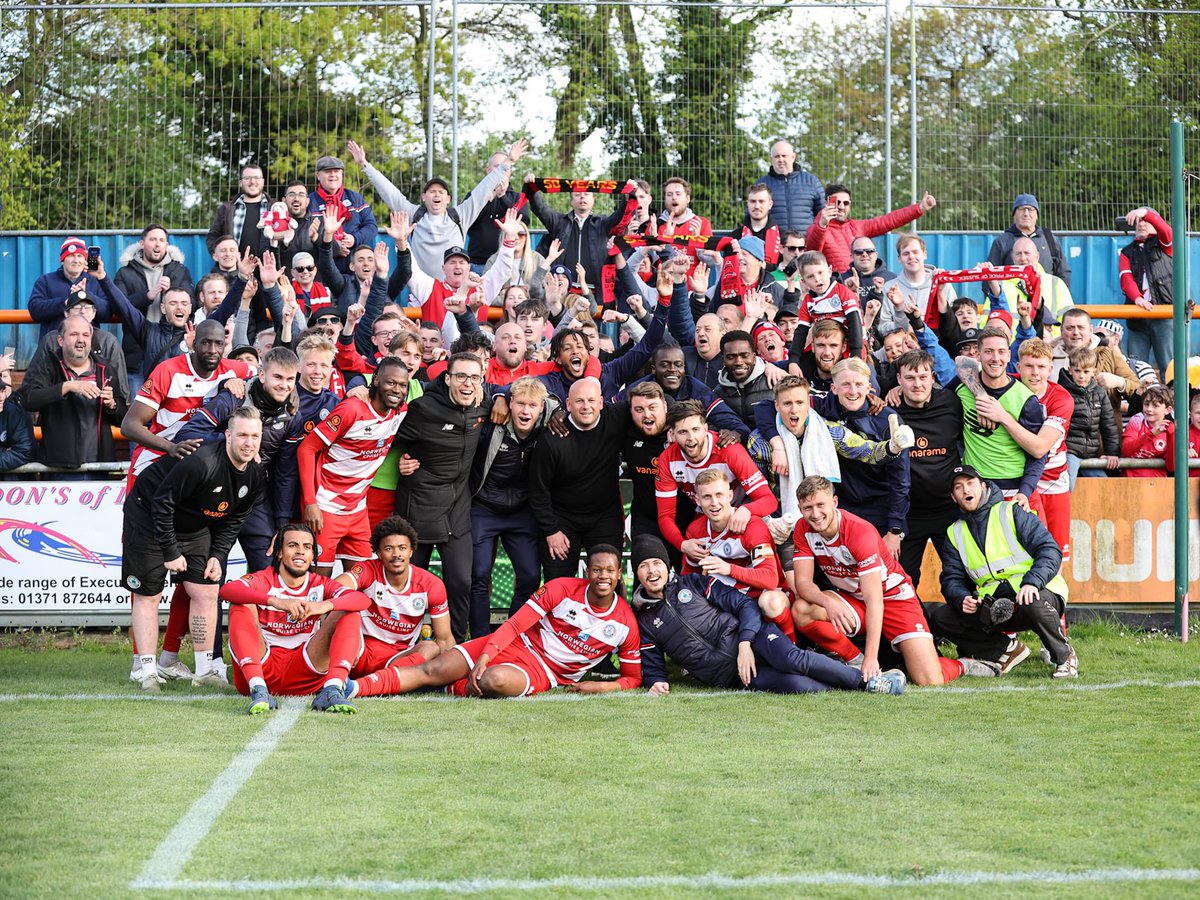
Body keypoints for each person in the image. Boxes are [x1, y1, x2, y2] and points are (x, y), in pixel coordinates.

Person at [347, 545, 641, 699]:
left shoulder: (626, 623)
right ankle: (353, 689)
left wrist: (603, 688)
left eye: (610, 571)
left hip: (546, 673)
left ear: (619, 575)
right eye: (597, 569)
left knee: (494, 681)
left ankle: (445, 687)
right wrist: (485, 655)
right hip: (514, 644)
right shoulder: (561, 588)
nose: (603, 576)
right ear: (586, 571)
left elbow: (633, 678)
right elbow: (514, 625)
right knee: (434, 667)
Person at [630, 535, 904, 696]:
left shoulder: (693, 584)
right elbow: (653, 662)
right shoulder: (642, 618)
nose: (652, 570)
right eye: (644, 565)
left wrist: (745, 643)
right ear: (637, 574)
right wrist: (656, 682)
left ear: (667, 567)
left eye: (657, 563)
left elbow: (745, 605)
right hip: (733, 674)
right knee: (793, 684)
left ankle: (868, 681)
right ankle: (849, 684)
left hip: (753, 639)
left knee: (791, 658)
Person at [789, 475, 991, 685]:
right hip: (854, 599)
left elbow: (875, 598)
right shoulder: (803, 528)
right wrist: (827, 601)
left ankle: (964, 664)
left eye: (821, 505)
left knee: (929, 679)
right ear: (800, 508)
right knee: (802, 609)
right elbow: (803, 584)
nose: (815, 514)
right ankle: (853, 661)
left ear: (834, 502)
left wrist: (872, 658)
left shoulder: (858, 531)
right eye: (807, 508)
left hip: (894, 599)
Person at [121, 407, 264, 692]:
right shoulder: (203, 461)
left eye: (255, 436)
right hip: (149, 515)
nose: (249, 443)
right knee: (149, 593)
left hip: (193, 523)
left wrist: (217, 554)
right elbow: (162, 502)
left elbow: (234, 517)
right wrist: (171, 551)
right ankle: (146, 670)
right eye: (243, 435)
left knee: (207, 589)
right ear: (228, 436)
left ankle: (205, 668)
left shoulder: (256, 474)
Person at [930, 465, 1077, 678]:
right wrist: (961, 597)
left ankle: (1065, 656)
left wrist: (1032, 582)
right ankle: (1005, 651)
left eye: (970, 484)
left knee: (1032, 603)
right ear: (954, 497)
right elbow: (951, 578)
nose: (965, 490)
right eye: (959, 488)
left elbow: (1050, 550)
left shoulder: (1011, 511)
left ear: (983, 486)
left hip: (1037, 592)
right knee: (940, 615)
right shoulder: (954, 532)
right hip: (994, 604)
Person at [389, 353, 493, 640]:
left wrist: (503, 400)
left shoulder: (484, 404)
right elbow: (384, 439)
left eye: (474, 377)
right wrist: (398, 462)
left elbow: (513, 393)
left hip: (458, 509)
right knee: (406, 584)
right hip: (418, 508)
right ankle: (399, 645)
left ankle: (456, 645)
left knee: (461, 581)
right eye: (460, 376)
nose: (467, 383)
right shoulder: (422, 409)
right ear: (447, 379)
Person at [221, 522, 372, 715]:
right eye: (292, 545)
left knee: (347, 610)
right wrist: (276, 602)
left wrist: (323, 606)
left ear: (312, 556)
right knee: (240, 603)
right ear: (279, 553)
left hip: (307, 669)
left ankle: (333, 689)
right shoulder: (264, 579)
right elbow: (228, 590)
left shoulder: (321, 584)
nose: (300, 551)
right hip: (263, 667)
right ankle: (258, 690)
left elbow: (362, 599)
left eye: (307, 547)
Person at [174, 347, 301, 571]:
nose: (284, 385)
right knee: (210, 575)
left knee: (268, 569)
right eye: (278, 377)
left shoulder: (291, 413)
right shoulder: (235, 396)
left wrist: (282, 526)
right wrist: (235, 445)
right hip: (214, 491)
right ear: (262, 375)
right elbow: (187, 434)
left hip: (254, 495)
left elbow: (285, 474)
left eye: (290, 379)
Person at [350, 138, 527, 278]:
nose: (436, 195)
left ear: (448, 199)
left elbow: (483, 189)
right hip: (421, 292)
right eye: (432, 191)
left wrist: (508, 161)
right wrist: (365, 165)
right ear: (424, 197)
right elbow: (390, 192)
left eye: (441, 192)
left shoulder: (460, 215)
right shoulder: (414, 215)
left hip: (453, 290)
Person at [297, 357, 409, 573]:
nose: (396, 390)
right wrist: (310, 502)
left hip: (358, 510)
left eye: (402, 385)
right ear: (376, 381)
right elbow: (306, 449)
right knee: (320, 583)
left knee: (362, 579)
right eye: (390, 382)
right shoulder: (352, 409)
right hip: (325, 506)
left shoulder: (400, 412)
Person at [119, 318, 255, 483]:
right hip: (156, 460)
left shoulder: (233, 370)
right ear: (194, 344)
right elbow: (129, 425)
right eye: (205, 343)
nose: (213, 350)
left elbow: (268, 376)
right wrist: (170, 447)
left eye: (219, 344)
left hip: (198, 466)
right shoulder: (168, 371)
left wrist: (290, 394)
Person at [528, 377, 632, 583]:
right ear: (567, 404)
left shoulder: (616, 417)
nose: (586, 407)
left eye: (592, 401)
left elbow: (652, 398)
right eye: (579, 401)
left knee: (608, 579)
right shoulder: (551, 438)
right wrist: (551, 530)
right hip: (561, 519)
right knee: (557, 584)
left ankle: (615, 616)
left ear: (602, 402)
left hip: (604, 517)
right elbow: (538, 490)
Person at [470, 376, 554, 621]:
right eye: (520, 404)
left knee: (529, 576)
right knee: (479, 575)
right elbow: (483, 386)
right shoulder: (493, 422)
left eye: (532, 405)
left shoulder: (550, 424)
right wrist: (500, 395)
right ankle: (479, 640)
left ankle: (511, 639)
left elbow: (561, 401)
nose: (525, 411)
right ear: (510, 404)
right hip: (484, 508)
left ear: (542, 408)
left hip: (521, 511)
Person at [336, 515, 455, 679]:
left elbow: (445, 639)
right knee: (339, 608)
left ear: (411, 551)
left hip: (397, 658)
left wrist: (453, 673)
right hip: (358, 653)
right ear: (378, 553)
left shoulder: (431, 585)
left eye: (402, 548)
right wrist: (354, 612)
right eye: (388, 548)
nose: (396, 554)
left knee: (430, 648)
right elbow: (334, 589)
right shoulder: (367, 570)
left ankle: (382, 679)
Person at [888, 351, 963, 588]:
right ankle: (917, 625)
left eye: (922, 377)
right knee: (904, 583)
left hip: (949, 510)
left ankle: (965, 624)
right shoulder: (888, 410)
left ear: (932, 377)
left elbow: (965, 363)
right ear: (898, 380)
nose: (917, 384)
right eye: (910, 378)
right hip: (909, 515)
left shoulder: (951, 402)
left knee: (960, 578)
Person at [15, 314, 127, 468]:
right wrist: (66, 387)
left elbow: (123, 417)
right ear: (61, 340)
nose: (80, 339)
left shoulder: (106, 369)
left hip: (100, 466)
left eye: (85, 335)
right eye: (74, 334)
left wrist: (113, 405)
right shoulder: (48, 365)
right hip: (59, 466)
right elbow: (29, 400)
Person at [952, 328, 1046, 510]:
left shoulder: (1026, 399)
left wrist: (1025, 491)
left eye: (1001, 351)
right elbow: (960, 361)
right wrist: (981, 396)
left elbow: (1038, 455)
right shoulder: (962, 387)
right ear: (978, 355)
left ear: (1010, 355)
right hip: (978, 491)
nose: (996, 358)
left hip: (1016, 493)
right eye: (988, 352)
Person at [113, 224, 195, 381]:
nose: (157, 244)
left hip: (172, 351)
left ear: (167, 245)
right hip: (137, 354)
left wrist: (172, 294)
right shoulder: (125, 273)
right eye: (152, 239)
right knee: (138, 404)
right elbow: (119, 307)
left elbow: (192, 303)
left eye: (161, 240)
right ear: (142, 244)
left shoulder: (179, 270)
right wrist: (147, 296)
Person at [1016, 339, 1074, 558]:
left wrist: (1003, 418)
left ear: (1051, 368)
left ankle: (1053, 594)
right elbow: (966, 366)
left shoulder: (1061, 398)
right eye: (1029, 366)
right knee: (1022, 550)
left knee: (1055, 554)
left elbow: (1039, 448)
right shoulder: (1007, 385)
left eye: (1041, 367)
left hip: (1053, 479)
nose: (1035, 373)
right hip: (1019, 479)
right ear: (1018, 367)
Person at [526, 176, 638, 289]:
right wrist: (532, 188)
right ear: (571, 201)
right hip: (563, 290)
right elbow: (540, 208)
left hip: (595, 291)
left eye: (587, 194)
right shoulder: (558, 222)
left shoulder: (603, 223)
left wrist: (628, 196)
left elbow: (620, 217)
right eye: (577, 194)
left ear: (593, 199)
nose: (582, 196)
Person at [805, 183, 935, 275]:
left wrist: (919, 208)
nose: (841, 206)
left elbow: (888, 221)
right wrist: (822, 224)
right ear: (826, 203)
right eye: (836, 202)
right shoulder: (816, 228)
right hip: (835, 293)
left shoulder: (857, 226)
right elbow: (811, 255)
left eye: (845, 203)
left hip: (862, 288)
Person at [1051, 308, 1138, 421]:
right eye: (1070, 328)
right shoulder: (1048, 356)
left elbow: (1138, 389)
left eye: (1081, 327)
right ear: (1061, 330)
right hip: (1056, 431)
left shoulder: (1107, 354)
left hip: (1100, 435)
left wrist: (1120, 382)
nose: (1076, 332)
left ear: (1091, 329)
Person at [1119, 206, 1174, 374]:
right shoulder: (1127, 252)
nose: (1141, 224)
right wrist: (1137, 298)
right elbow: (1125, 278)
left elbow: (1167, 231)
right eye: (1138, 221)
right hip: (1138, 315)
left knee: (1169, 366)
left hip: (1163, 314)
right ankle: (1138, 400)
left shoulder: (1164, 244)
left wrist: (1146, 213)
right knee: (1136, 367)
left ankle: (1173, 399)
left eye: (1146, 221)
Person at [1060, 346, 1120, 488]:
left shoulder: (1099, 393)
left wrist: (1112, 453)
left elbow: (1109, 425)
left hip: (1091, 453)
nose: (1081, 376)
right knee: (1067, 485)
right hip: (1070, 451)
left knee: (1104, 486)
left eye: (1086, 371)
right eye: (1077, 371)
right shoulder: (1063, 392)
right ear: (1070, 370)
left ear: (1094, 371)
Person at [27, 237, 111, 339]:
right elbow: (35, 310)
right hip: (53, 347)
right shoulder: (45, 281)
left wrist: (86, 295)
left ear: (85, 260)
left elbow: (107, 313)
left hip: (88, 346)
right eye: (71, 256)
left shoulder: (95, 281)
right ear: (62, 260)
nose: (76, 260)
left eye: (80, 256)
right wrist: (65, 302)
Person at [307, 154, 378, 273]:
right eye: (327, 171)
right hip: (322, 268)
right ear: (318, 175)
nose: (333, 175)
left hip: (355, 267)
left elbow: (371, 227)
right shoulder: (310, 202)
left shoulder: (355, 198)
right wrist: (333, 245)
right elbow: (306, 233)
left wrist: (354, 239)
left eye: (337, 171)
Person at [787, 251, 863, 360]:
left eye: (820, 273)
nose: (817, 279)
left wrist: (856, 354)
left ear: (829, 271)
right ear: (803, 281)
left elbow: (855, 322)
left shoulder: (843, 292)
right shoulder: (808, 302)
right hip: (825, 348)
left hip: (853, 347)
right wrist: (793, 360)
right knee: (802, 363)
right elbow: (801, 332)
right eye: (810, 276)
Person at [987, 193, 1070, 288]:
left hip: (1046, 301)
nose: (1026, 214)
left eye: (1030, 210)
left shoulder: (1049, 239)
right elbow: (990, 277)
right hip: (1013, 301)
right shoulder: (1002, 241)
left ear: (1036, 215)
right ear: (1014, 214)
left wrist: (1058, 299)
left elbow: (1063, 273)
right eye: (1021, 209)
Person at [754, 140, 825, 235]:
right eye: (776, 156)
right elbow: (752, 214)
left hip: (806, 242)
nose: (780, 160)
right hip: (774, 243)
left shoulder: (811, 181)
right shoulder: (762, 185)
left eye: (784, 156)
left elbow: (822, 213)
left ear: (793, 157)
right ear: (771, 159)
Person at [205, 163, 272, 258]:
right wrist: (219, 256)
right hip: (235, 270)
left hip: (268, 269)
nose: (252, 181)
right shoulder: (226, 209)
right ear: (241, 182)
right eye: (247, 178)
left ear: (263, 181)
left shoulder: (274, 207)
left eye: (257, 178)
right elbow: (212, 237)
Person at [715, 330, 776, 427]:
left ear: (754, 357)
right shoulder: (718, 394)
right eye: (731, 357)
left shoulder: (775, 380)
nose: (738, 362)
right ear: (723, 360)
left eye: (744, 355)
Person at [1121, 383, 1174, 478]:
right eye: (1146, 404)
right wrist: (1151, 434)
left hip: (1157, 485)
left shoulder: (1170, 430)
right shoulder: (1137, 420)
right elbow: (1126, 451)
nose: (1149, 409)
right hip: (1130, 484)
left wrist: (1172, 436)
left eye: (1155, 405)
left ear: (1167, 410)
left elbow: (1171, 467)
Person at [0, 370, 35, 472]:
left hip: (11, 484)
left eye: (2, 391)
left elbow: (23, 452)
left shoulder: (14, 413)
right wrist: (5, 452)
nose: (2, 398)